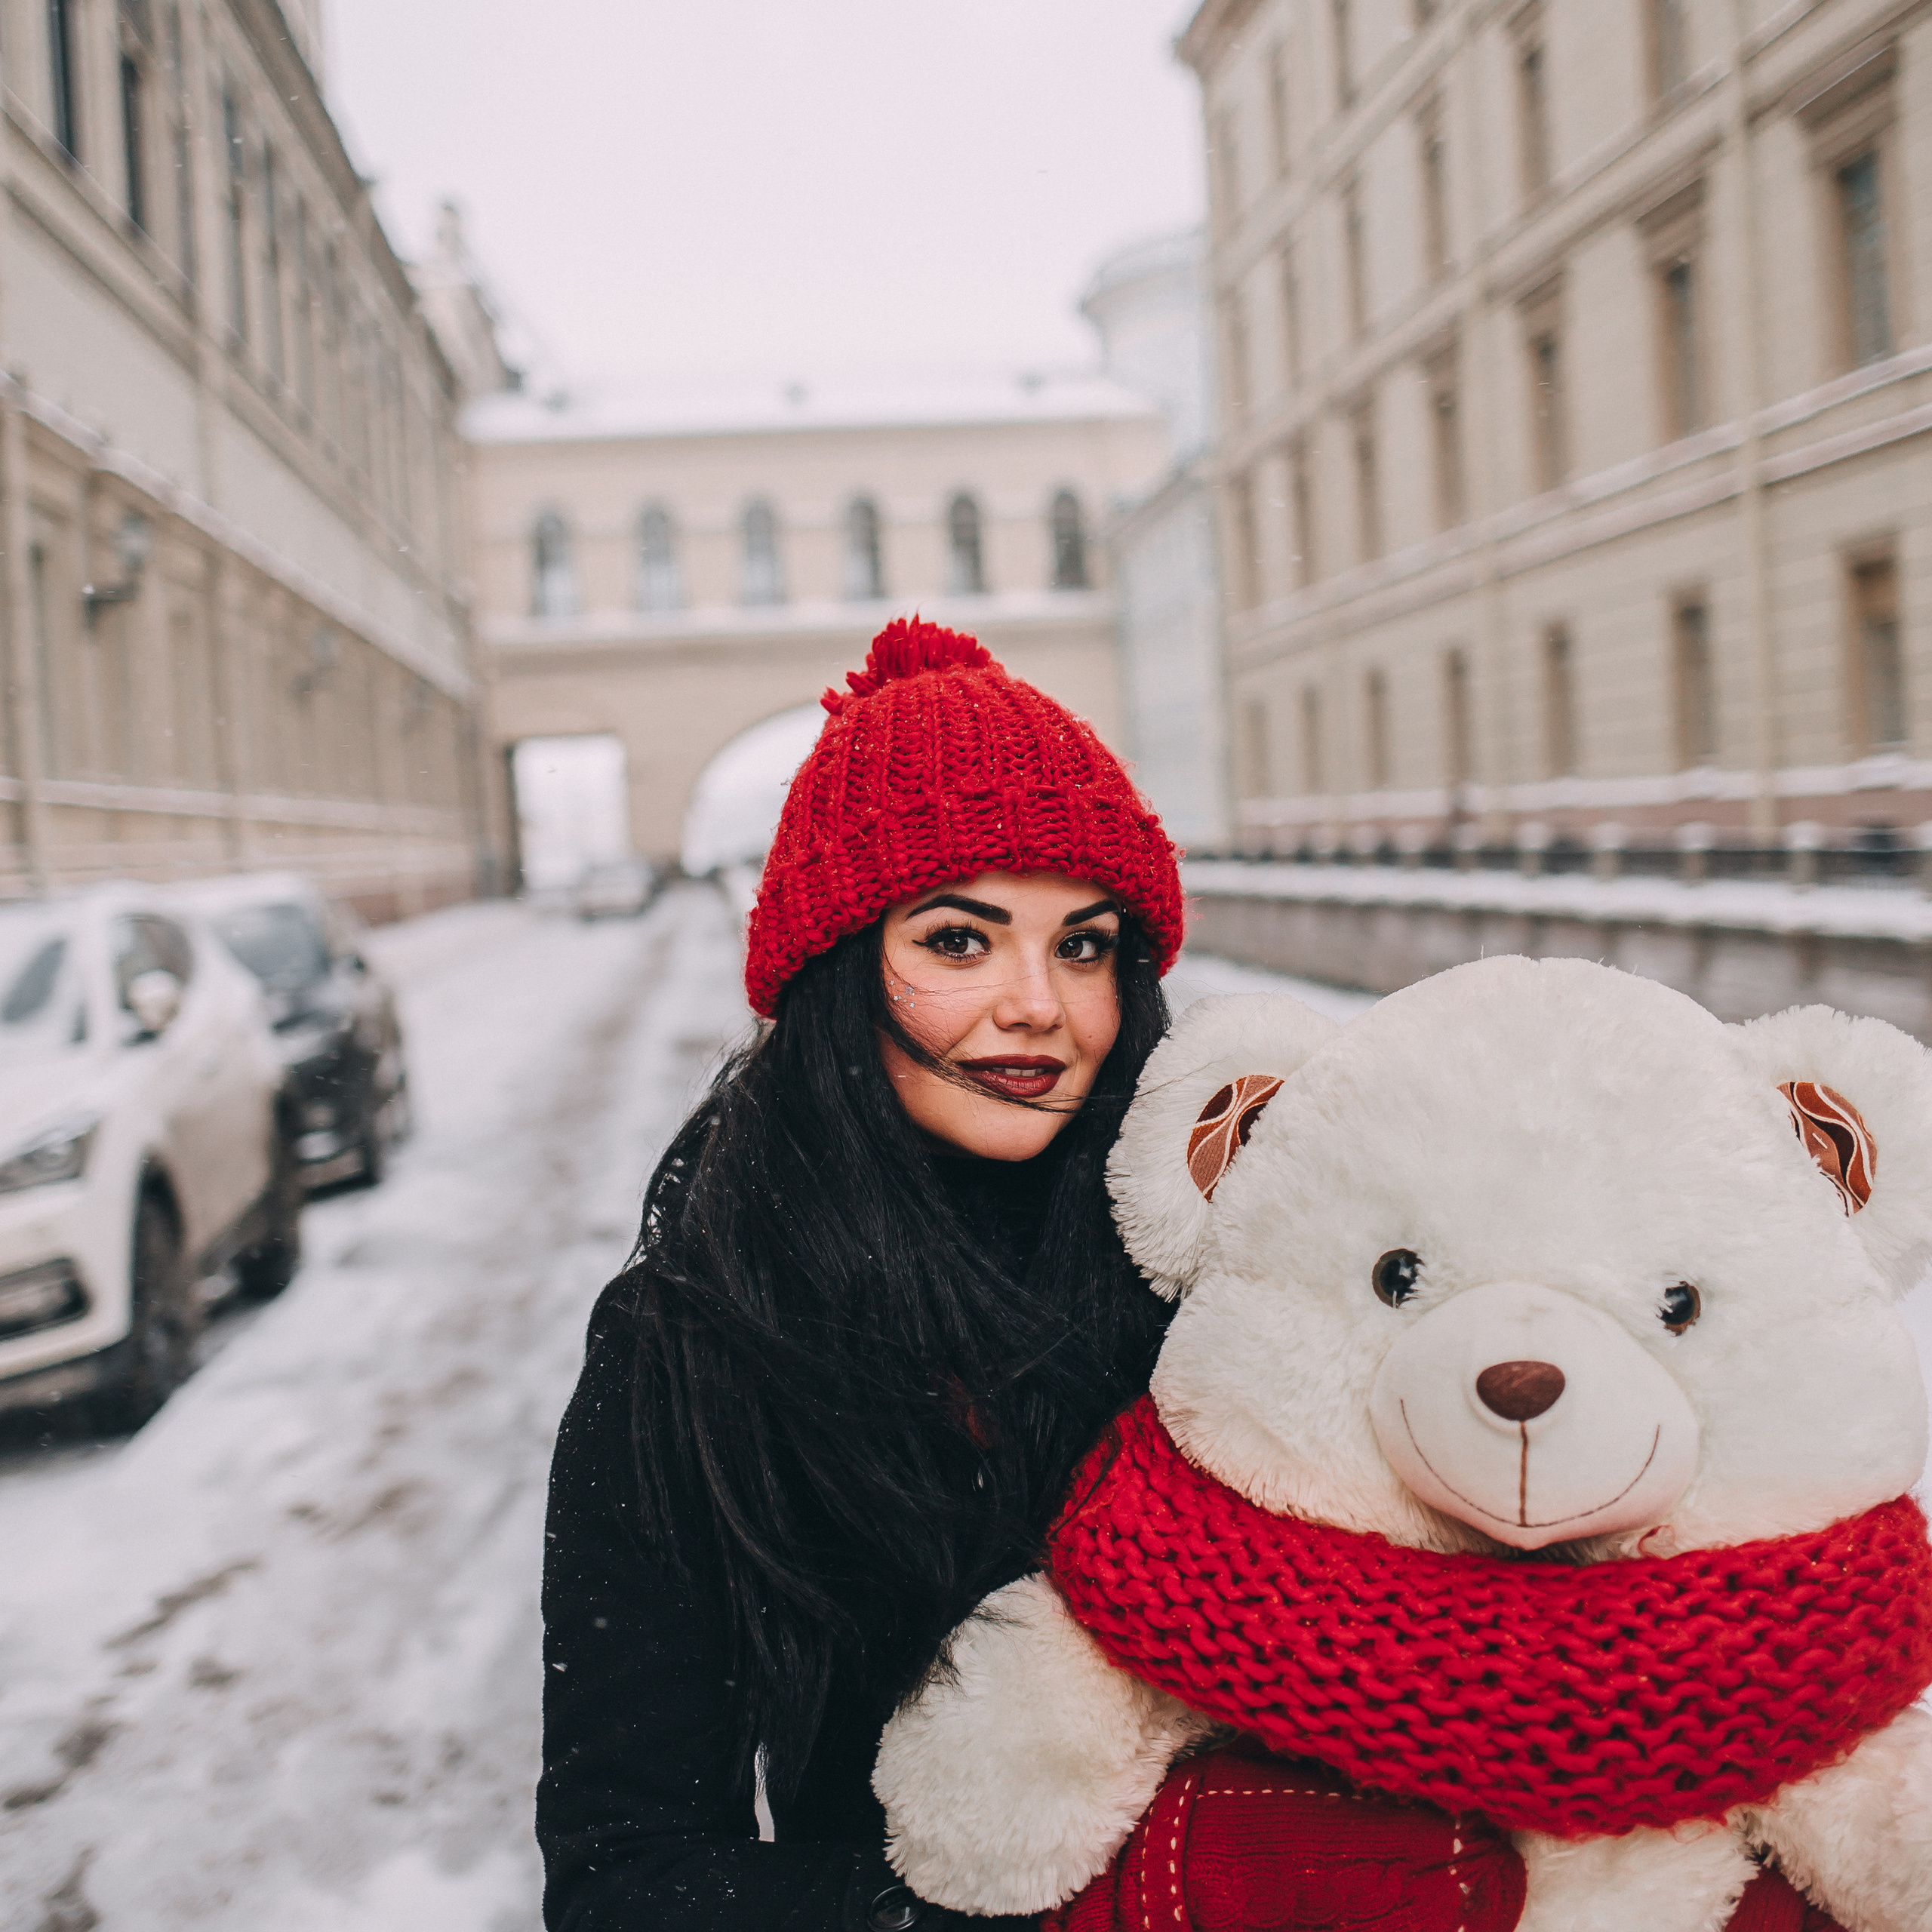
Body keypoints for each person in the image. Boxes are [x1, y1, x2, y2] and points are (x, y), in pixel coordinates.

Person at [535, 619, 1510, 1931]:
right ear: (834, 971)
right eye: (958, 941)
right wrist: (1061, 1915)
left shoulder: (1229, 1258)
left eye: (1086, 944)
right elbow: (630, 1877)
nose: (1039, 1003)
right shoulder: (697, 1342)